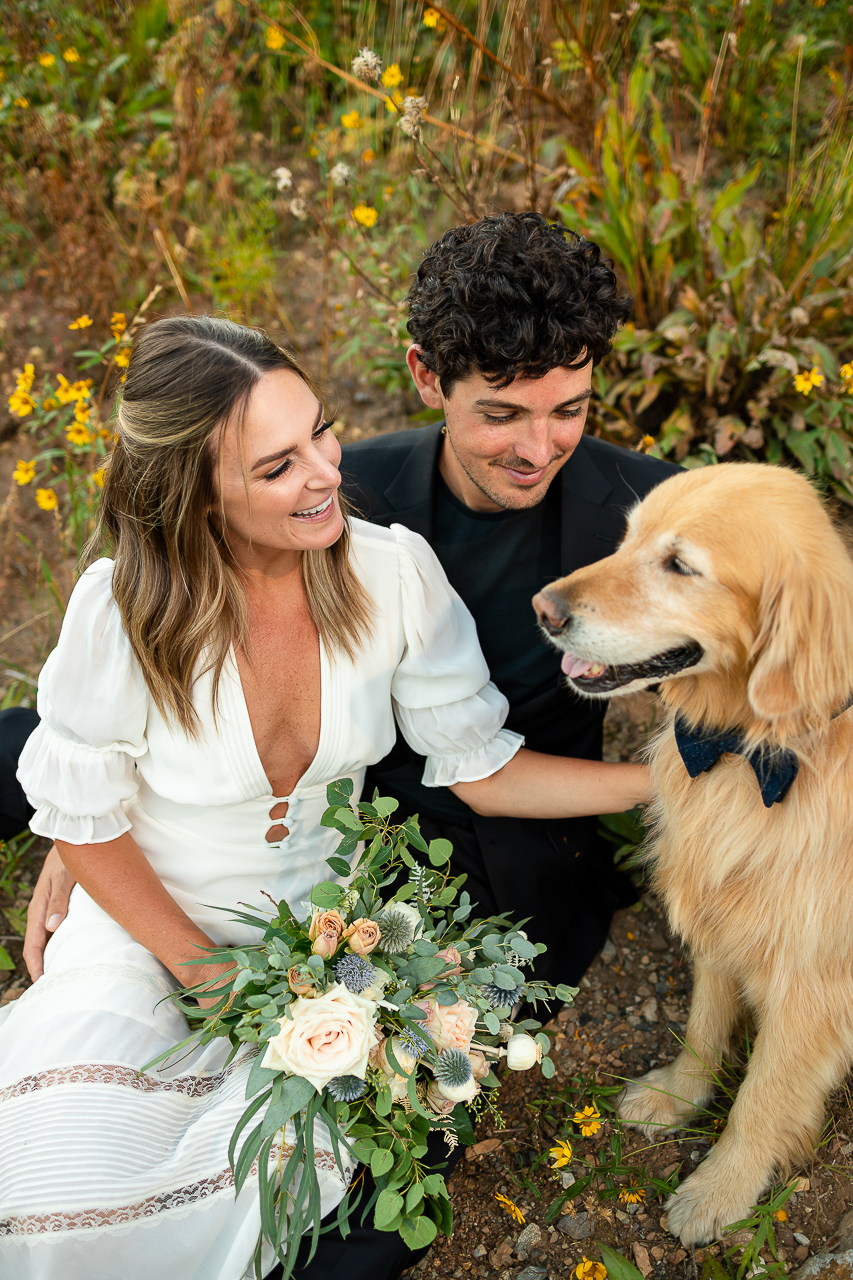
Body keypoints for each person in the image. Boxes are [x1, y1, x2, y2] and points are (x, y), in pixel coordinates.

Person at [0, 315, 649, 1280]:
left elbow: (481, 768)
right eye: (275, 466)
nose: (322, 472)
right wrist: (201, 973)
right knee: (61, 1199)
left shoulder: (390, 575)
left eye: (322, 431)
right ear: (192, 494)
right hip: (147, 921)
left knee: (319, 1200)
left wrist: (668, 783)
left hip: (323, 939)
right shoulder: (121, 607)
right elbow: (85, 826)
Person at [10, 213, 678, 992]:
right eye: (500, 415)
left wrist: (688, 777)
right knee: (35, 736)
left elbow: (751, 669)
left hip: (475, 824)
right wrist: (82, 835)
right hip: (308, 774)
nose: (538, 450)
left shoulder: (646, 516)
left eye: (568, 409)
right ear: (427, 376)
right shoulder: (329, 490)